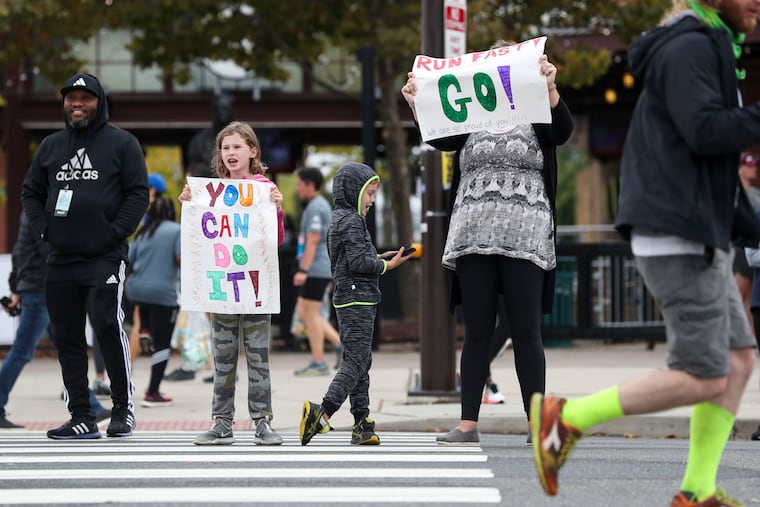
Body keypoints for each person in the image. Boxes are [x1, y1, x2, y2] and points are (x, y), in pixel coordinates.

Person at [529, 2, 760, 505]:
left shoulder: (710, 44)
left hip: (697, 230)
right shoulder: (691, 45)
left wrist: (749, 227)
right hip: (679, 234)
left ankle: (697, 492)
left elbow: (708, 156)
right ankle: (565, 419)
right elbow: (705, 130)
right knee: (704, 374)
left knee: (740, 360)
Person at [401, 43, 573, 445]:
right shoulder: (472, 112)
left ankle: (536, 424)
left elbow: (561, 132)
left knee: (527, 330)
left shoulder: (535, 107)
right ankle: (467, 424)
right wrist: (417, 102)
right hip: (473, 233)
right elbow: (440, 136)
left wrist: (550, 89)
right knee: (476, 330)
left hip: (526, 233)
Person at [21, 72, 149, 440]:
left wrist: (112, 232)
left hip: (104, 259)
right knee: (67, 338)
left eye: (86, 98)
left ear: (100, 102)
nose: (77, 104)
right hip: (60, 259)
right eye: (71, 98)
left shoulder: (122, 143)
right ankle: (81, 414)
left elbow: (138, 194)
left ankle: (123, 408)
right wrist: (43, 230)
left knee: (107, 327)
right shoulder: (50, 146)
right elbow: (30, 192)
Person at [181, 121, 285, 446]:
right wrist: (189, 204)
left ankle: (262, 421)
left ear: (253, 151)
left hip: (255, 291)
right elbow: (199, 239)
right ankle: (222, 422)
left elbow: (276, 240)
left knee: (258, 358)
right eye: (225, 148)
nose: (230, 153)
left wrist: (277, 209)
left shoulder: (263, 189)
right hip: (222, 290)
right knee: (223, 358)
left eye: (237, 147)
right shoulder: (211, 194)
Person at [299, 162, 411, 446]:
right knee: (357, 362)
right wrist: (388, 265)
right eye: (370, 193)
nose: (372, 200)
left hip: (351, 296)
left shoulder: (340, 218)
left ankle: (362, 423)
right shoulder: (351, 220)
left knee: (360, 361)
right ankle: (321, 414)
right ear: (354, 191)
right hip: (356, 297)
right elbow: (359, 263)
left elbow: (352, 257)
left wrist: (380, 255)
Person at [1, 213, 113, 428]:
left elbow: (19, 252)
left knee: (65, 346)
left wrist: (15, 287)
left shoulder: (30, 211)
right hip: (41, 288)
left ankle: (91, 406)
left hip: (36, 286)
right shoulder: (44, 210)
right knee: (23, 350)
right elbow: (53, 251)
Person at [126, 197, 181, 407]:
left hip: (136, 290)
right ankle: (152, 392)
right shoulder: (176, 230)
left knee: (146, 309)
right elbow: (180, 259)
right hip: (163, 294)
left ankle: (144, 330)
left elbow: (129, 261)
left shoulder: (141, 233)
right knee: (163, 343)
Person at [292, 167, 343, 376]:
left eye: (299, 184)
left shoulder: (315, 207)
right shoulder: (317, 205)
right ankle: (340, 345)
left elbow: (312, 240)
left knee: (311, 314)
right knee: (305, 312)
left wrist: (303, 269)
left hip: (316, 268)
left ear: (310, 185)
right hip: (317, 267)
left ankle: (319, 361)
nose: (297, 189)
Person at [733, 152, 760, 332]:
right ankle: (731, 333)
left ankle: (750, 337)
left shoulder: (757, 194)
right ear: (740, 169)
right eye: (749, 166)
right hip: (742, 245)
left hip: (754, 240)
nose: (753, 169)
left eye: (754, 166)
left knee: (751, 296)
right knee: (737, 292)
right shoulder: (735, 191)